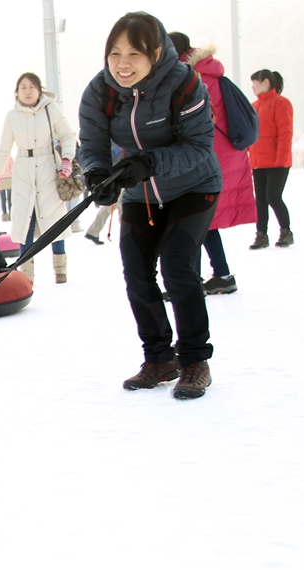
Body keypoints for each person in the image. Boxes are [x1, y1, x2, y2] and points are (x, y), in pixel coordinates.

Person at [79, 11, 222, 399]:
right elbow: (91, 145)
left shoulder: (185, 84)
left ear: (156, 52)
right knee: (137, 274)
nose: (122, 64)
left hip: (194, 186)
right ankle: (159, 358)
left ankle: (194, 361)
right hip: (142, 194)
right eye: (115, 53)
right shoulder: (100, 92)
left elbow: (199, 146)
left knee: (178, 266)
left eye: (134, 54)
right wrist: (96, 175)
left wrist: (150, 162)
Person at [169, 34, 255, 295]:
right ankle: (222, 275)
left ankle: (190, 282)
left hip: (204, 157)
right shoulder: (211, 74)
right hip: (222, 155)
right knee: (205, 220)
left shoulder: (188, 79)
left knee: (192, 218)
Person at [0, 72, 77, 284]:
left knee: (55, 220)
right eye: (23, 87)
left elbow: (67, 135)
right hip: (23, 170)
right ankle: (26, 275)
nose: (27, 91)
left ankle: (60, 270)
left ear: (39, 89)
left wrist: (66, 159)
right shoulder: (12, 116)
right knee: (24, 220)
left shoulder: (50, 108)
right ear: (17, 92)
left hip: (48, 166)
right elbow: (4, 149)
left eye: (31, 87)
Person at [247, 69, 294, 249]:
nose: (253, 87)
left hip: (277, 161)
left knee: (273, 196)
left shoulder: (281, 103)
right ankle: (261, 235)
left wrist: (282, 159)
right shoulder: (254, 106)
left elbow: (285, 133)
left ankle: (286, 231)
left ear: (266, 82)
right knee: (260, 199)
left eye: (255, 83)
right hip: (258, 162)